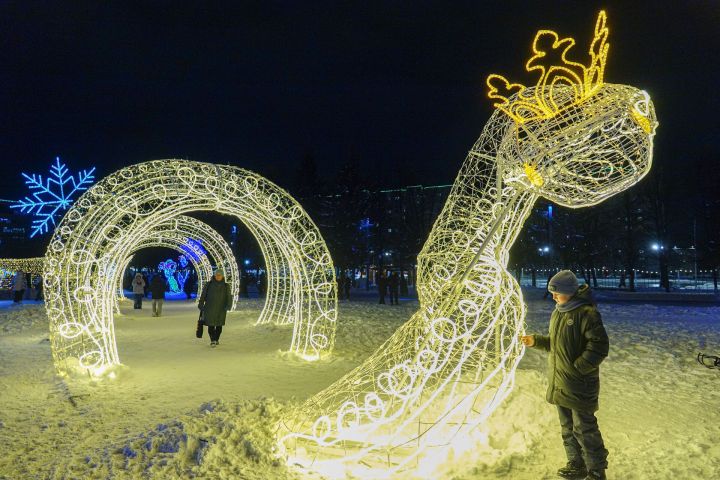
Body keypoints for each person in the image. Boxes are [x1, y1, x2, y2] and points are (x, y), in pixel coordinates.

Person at [521, 270, 609, 480]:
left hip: (579, 383)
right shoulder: (559, 312)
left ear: (569, 292)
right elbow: (556, 343)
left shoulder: (587, 313)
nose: (553, 297)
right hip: (561, 381)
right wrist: (537, 341)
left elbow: (599, 346)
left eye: (556, 293)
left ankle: (596, 471)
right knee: (568, 427)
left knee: (584, 428)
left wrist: (578, 368)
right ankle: (576, 464)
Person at [198, 268, 233, 347]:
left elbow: (229, 297)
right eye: (217, 275)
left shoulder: (226, 286)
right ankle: (212, 340)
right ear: (214, 275)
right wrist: (201, 304)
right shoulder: (209, 284)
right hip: (209, 308)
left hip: (221, 309)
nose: (218, 276)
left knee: (219, 325)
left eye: (220, 275)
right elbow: (203, 295)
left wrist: (228, 306)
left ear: (222, 276)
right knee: (210, 325)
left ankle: (216, 339)